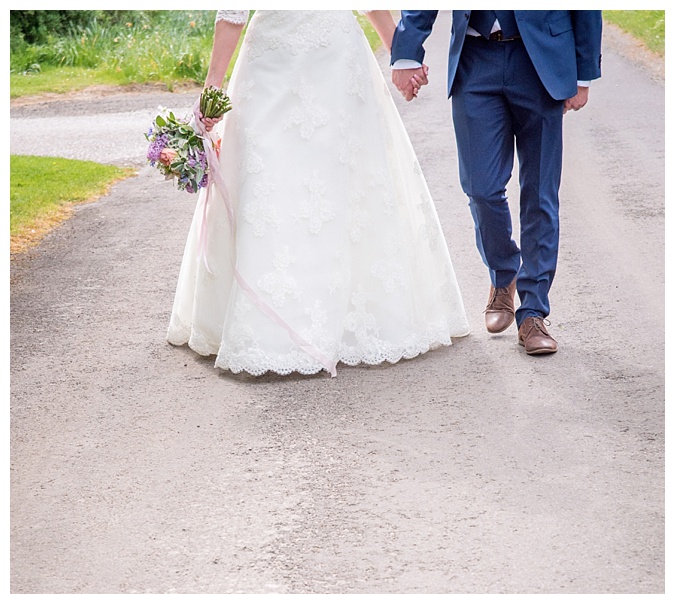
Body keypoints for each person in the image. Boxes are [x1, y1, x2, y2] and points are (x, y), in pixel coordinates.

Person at [167, 10, 469, 378]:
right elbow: (233, 10)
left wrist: (401, 53)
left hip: (335, 64)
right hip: (273, 64)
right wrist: (213, 86)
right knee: (269, 181)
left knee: (341, 182)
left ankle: (340, 322)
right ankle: (273, 327)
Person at [391, 10, 603, 355]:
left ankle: (532, 312)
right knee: (481, 189)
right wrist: (407, 51)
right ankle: (504, 274)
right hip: (475, 61)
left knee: (540, 193)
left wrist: (584, 74)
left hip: (542, 62)